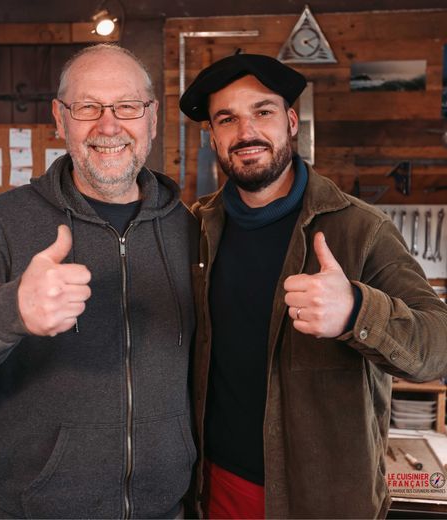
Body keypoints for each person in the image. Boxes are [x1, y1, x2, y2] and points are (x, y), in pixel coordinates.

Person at [0, 43, 198, 519]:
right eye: (87, 107)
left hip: (167, 511)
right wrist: (9, 311)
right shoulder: (4, 222)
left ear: (152, 118)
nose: (108, 125)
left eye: (127, 107)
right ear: (59, 118)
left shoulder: (189, 230)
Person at [180, 53, 447, 519]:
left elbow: (437, 346)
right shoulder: (195, 229)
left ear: (290, 121)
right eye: (227, 119)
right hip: (215, 490)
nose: (246, 132)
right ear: (213, 137)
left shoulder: (362, 229)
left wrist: (357, 312)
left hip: (325, 501)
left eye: (262, 112)